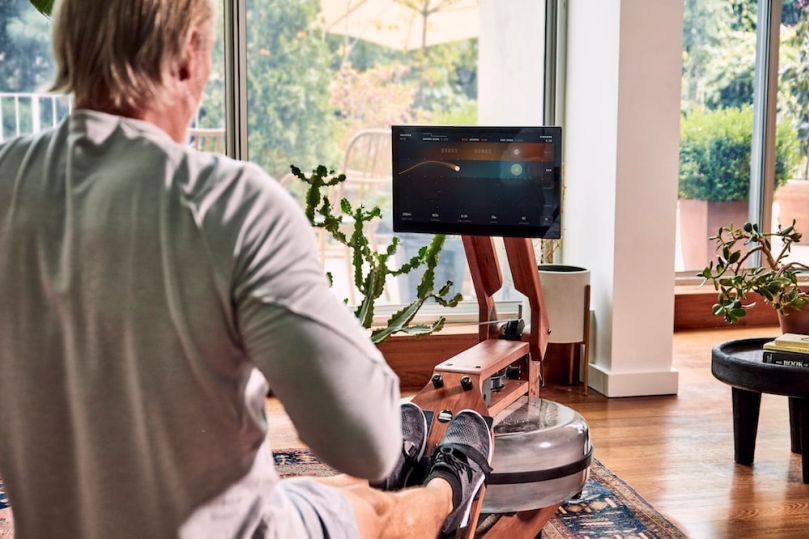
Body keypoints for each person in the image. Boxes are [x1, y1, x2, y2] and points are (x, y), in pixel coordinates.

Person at [0, 0, 494, 538]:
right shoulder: (228, 203)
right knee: (378, 512)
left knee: (317, 494)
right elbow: (368, 442)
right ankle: (450, 493)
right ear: (189, 54)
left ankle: (395, 484)